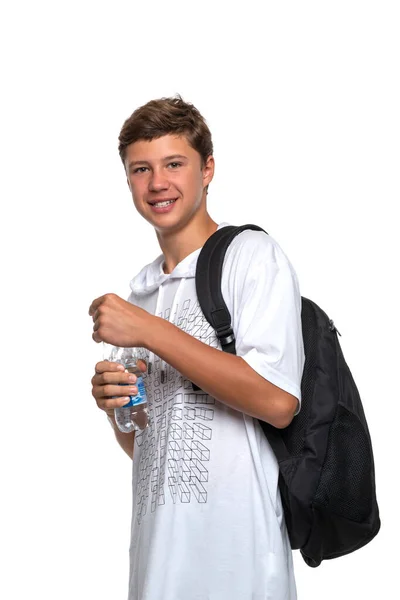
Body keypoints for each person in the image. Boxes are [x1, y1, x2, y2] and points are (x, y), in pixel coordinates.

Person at [89, 95, 305, 600]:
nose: (157, 182)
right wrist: (116, 405)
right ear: (128, 182)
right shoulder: (141, 288)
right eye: (141, 169)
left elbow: (278, 402)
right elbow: (146, 446)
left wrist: (147, 329)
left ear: (207, 170)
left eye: (174, 164)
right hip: (156, 563)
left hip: (239, 560)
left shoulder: (252, 257)